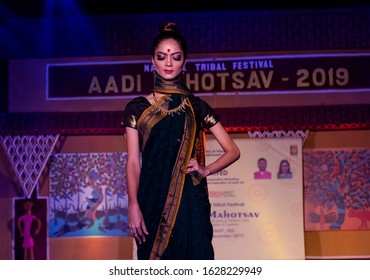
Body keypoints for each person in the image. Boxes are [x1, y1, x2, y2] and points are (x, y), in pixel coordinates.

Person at [121, 22, 240, 260]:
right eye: (161, 56)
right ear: (151, 60)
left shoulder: (196, 106)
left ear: (184, 62)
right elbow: (133, 162)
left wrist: (205, 170)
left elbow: (232, 151)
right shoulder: (136, 108)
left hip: (189, 200)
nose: (168, 63)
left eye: (175, 57)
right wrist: (133, 205)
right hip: (151, 199)